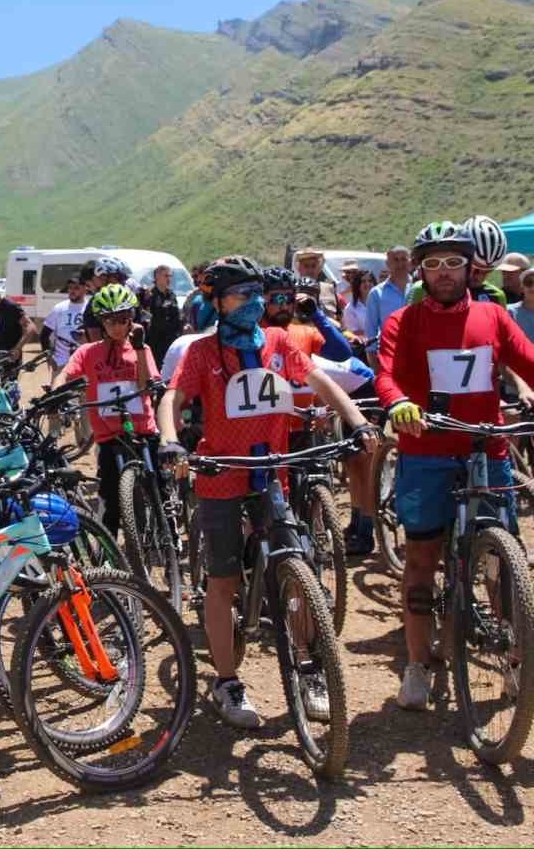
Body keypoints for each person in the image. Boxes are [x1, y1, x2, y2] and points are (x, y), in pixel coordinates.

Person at [377, 221, 534, 715]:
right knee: (421, 561)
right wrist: (396, 403)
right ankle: (417, 665)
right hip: (427, 450)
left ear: (470, 266)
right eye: (433, 264)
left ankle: (521, 664)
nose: (444, 272)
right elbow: (385, 373)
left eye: (453, 262)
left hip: (486, 448)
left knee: (503, 565)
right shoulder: (403, 322)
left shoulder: (494, 316)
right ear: (420, 270)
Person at [156, 256, 375, 727]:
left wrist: (356, 421)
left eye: (258, 293)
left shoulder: (278, 341)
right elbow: (172, 397)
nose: (254, 304)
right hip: (221, 475)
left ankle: (311, 668)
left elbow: (317, 380)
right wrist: (169, 440)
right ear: (216, 301)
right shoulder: (201, 352)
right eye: (241, 294)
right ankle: (227, 683)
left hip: (272, 474)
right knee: (223, 581)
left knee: (299, 568)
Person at [264, 269, 379, 555]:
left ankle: (311, 565)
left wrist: (316, 315)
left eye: (289, 299)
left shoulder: (303, 331)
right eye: (276, 298)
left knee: (307, 505)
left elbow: (342, 354)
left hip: (303, 430)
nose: (284, 305)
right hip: (268, 435)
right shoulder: (253, 338)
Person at [59, 284, 159, 537]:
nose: (117, 326)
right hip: (108, 436)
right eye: (110, 321)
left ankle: (164, 536)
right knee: (110, 501)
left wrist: (138, 349)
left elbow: (146, 387)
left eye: (124, 320)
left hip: (142, 431)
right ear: (101, 322)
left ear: (132, 321)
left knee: (157, 487)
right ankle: (109, 553)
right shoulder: (88, 352)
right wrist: (55, 390)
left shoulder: (142, 350)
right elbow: (66, 373)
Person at [365, 245, 412, 362]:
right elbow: (371, 333)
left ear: (410, 262)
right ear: (387, 263)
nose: (400, 264)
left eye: (403, 259)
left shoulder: (421, 288)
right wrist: (375, 368)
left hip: (419, 355)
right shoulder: (376, 293)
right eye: (395, 260)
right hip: (389, 357)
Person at [41, 276, 88, 377]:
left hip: (84, 364)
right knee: (58, 392)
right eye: (70, 288)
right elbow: (44, 335)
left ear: (85, 289)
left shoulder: (90, 309)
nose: (72, 291)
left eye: (76, 288)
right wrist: (49, 357)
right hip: (61, 364)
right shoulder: (59, 308)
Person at [141, 265, 182, 367]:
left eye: (170, 276)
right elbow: (145, 318)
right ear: (157, 277)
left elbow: (176, 316)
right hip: (155, 342)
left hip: (171, 340)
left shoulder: (171, 294)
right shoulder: (150, 295)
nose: (169, 279)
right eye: (166, 276)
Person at [293, 246, 339, 321]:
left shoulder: (329, 288)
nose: (310, 270)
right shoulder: (292, 290)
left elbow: (339, 319)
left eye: (313, 266)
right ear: (299, 268)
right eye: (306, 266)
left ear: (318, 268)